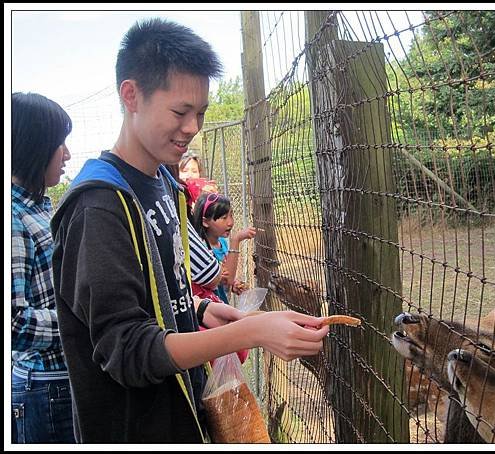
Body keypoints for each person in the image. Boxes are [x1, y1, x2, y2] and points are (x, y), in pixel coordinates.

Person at [50, 18, 328, 444]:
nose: (193, 127)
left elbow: (159, 294)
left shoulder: (164, 182)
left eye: (200, 113)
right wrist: (249, 331)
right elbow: (125, 348)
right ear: (131, 96)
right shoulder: (99, 207)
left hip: (184, 416)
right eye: (181, 112)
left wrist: (198, 312)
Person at [11, 92, 76, 443]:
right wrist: (79, 317)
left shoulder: (38, 208)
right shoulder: (13, 219)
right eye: (59, 143)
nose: (66, 154)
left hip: (61, 382)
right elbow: (13, 323)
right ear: (33, 146)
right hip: (43, 389)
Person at [191, 192, 256, 305]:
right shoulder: (202, 250)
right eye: (224, 218)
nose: (230, 222)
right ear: (205, 222)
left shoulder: (223, 243)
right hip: (210, 308)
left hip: (222, 303)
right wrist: (236, 240)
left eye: (231, 215)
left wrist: (233, 285)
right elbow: (227, 279)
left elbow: (227, 279)